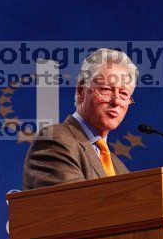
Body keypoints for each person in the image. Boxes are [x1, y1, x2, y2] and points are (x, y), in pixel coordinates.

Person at [23, 48, 138, 190]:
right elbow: (74, 207)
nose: (116, 101)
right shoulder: (55, 141)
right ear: (81, 91)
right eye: (106, 89)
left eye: (124, 94)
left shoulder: (120, 168)